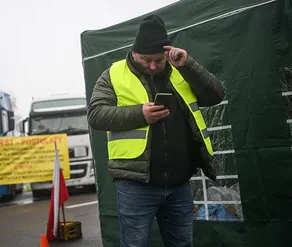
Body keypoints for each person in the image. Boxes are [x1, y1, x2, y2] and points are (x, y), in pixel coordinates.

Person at [87, 13, 225, 247]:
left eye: (158, 60)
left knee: (181, 244)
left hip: (179, 184)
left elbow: (216, 95)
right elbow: (96, 115)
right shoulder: (113, 74)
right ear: (133, 53)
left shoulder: (180, 69)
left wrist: (188, 64)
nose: (152, 66)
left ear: (167, 54)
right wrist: (139, 114)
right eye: (145, 59)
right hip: (135, 185)